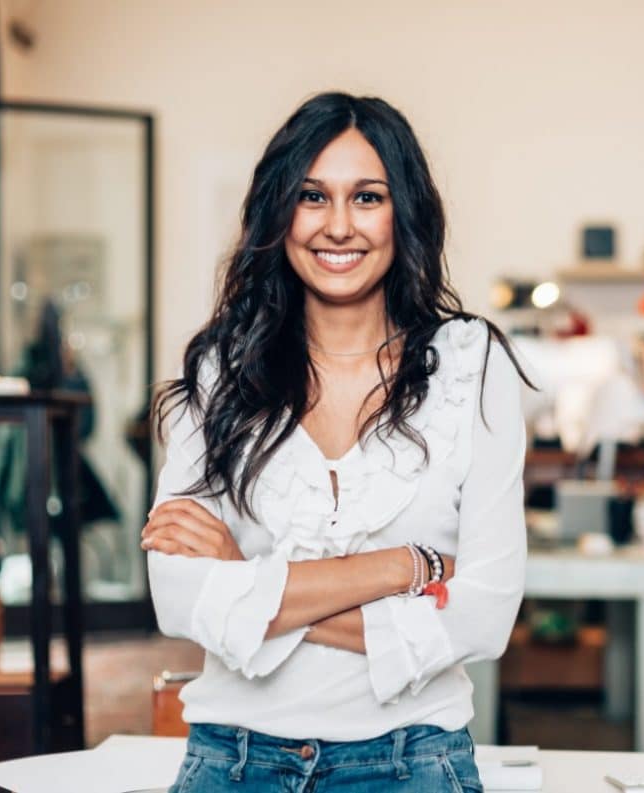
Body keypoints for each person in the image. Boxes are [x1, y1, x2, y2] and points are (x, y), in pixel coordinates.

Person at [142, 93, 530, 792]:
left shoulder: (472, 365)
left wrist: (249, 580)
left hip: (412, 759)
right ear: (279, 211)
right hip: (233, 760)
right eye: (313, 196)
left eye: (368, 197)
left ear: (402, 212)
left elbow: (484, 614)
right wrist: (400, 566)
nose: (339, 225)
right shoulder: (220, 367)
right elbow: (177, 595)